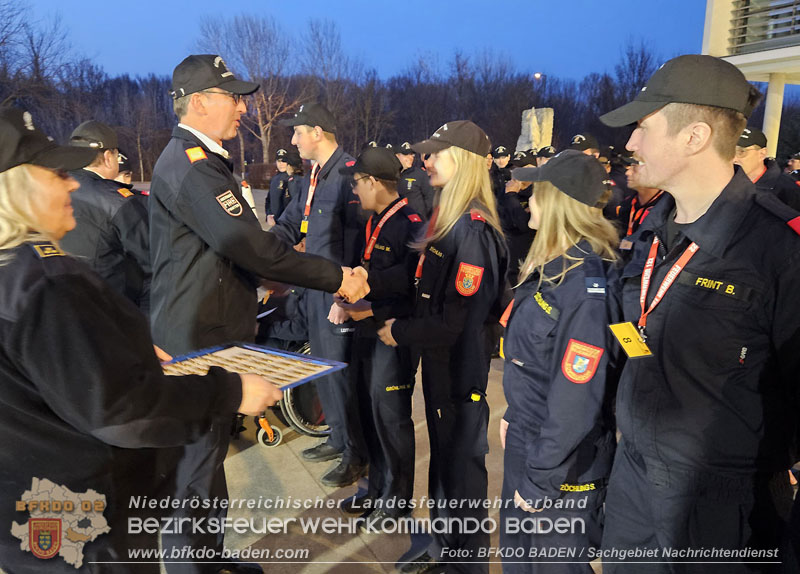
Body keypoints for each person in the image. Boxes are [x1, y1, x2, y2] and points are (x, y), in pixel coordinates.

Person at [0, 105, 283, 574]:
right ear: (19, 187)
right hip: (88, 527)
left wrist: (111, 345)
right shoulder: (46, 281)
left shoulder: (16, 273)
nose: (73, 183)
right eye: (56, 174)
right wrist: (230, 391)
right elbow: (118, 409)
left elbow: (44, 377)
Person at [148, 56, 368, 574]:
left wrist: (258, 277)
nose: (243, 108)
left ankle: (211, 561)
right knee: (192, 478)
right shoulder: (194, 165)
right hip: (198, 341)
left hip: (208, 333)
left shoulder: (200, 160)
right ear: (199, 102)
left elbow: (227, 254)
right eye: (234, 97)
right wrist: (338, 277)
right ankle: (192, 567)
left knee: (207, 466)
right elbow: (250, 246)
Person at [598, 54, 800, 572]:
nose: (629, 144)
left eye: (643, 128)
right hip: (634, 480)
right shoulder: (650, 231)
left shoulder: (778, 248)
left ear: (694, 136)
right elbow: (634, 331)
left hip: (723, 507)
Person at [377, 120, 508, 574]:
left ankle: (467, 561)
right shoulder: (447, 215)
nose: (425, 160)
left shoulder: (471, 229)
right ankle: (443, 544)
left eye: (435, 153)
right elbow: (418, 279)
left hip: (459, 368)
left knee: (463, 469)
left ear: (465, 161)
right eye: (426, 153)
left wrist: (400, 332)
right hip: (439, 366)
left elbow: (456, 322)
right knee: (444, 461)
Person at [499, 149, 622, 573]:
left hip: (559, 462)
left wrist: (540, 478)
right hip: (530, 439)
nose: (527, 199)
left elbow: (576, 401)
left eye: (536, 191)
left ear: (557, 202)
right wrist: (513, 415)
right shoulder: (553, 266)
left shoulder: (582, 286)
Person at [272, 102, 370, 487]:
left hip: (336, 296)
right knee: (324, 368)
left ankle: (355, 454)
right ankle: (337, 437)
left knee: (342, 374)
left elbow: (357, 243)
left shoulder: (348, 175)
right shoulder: (315, 177)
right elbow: (293, 222)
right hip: (314, 288)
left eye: (297, 132)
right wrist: (260, 249)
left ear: (316, 132)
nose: (293, 141)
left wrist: (346, 300)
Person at [332, 146, 424, 530]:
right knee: (367, 413)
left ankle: (397, 499)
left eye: (357, 184)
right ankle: (376, 487)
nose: (355, 191)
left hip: (391, 334)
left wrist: (371, 306)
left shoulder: (411, 222)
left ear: (373, 182)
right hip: (366, 330)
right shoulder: (372, 222)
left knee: (391, 419)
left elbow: (413, 284)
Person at [59, 120, 152, 313]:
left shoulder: (52, 189)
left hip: (63, 303)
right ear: (109, 157)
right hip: (112, 309)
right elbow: (153, 257)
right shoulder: (118, 200)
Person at [733, 126, 800, 210]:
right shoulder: (720, 182)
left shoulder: (790, 190)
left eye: (741, 152)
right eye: (729, 151)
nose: (733, 158)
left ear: (762, 154)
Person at [499, 150, 536, 281]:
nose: (515, 173)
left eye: (521, 169)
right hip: (504, 256)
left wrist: (511, 196)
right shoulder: (508, 190)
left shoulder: (536, 194)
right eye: (514, 169)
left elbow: (524, 225)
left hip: (522, 262)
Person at [396, 141, 435, 219]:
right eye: (406, 155)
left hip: (417, 223)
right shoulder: (391, 175)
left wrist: (422, 217)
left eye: (412, 155)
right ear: (397, 156)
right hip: (397, 222)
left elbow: (429, 198)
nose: (410, 158)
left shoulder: (420, 174)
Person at [265, 148, 290, 225]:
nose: (281, 164)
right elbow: (269, 199)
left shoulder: (292, 179)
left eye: (284, 161)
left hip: (286, 223)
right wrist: (268, 215)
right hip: (274, 223)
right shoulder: (274, 179)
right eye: (279, 161)